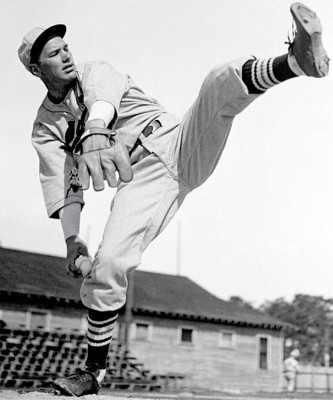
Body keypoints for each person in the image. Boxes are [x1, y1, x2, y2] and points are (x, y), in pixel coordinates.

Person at [18, 2, 329, 396]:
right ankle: (92, 374)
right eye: (52, 53)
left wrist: (96, 127)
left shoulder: (94, 71)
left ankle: (296, 62)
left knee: (218, 83)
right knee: (109, 263)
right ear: (35, 69)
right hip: (142, 182)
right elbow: (64, 184)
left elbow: (102, 97)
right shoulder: (47, 127)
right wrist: (71, 240)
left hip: (178, 141)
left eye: (64, 47)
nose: (65, 55)